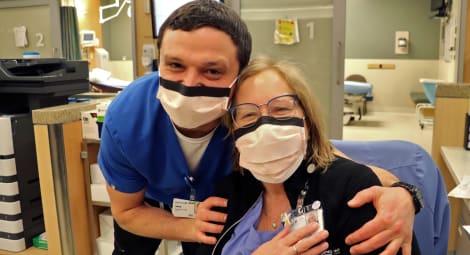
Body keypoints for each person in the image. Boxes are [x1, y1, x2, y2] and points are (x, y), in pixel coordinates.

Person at [98, 1, 419, 254]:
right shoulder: (126, 119)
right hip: (150, 206)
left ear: (239, 77)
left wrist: (403, 195)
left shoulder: (247, 117)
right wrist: (187, 227)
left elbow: (335, 161)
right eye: (175, 65)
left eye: (212, 70)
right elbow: (127, 211)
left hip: (213, 212)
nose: (189, 84)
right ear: (159, 59)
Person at [194, 56, 421, 255]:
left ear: (308, 122)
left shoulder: (351, 189)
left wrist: (406, 192)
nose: (265, 126)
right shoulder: (226, 194)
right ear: (233, 132)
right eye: (249, 115)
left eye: (281, 110)